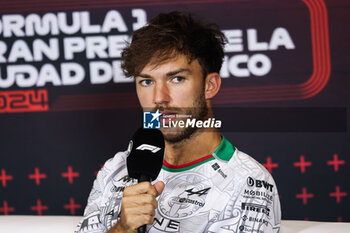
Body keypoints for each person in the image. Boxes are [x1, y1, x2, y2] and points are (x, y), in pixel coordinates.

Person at [75, 11, 281, 233]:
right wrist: (123, 228)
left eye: (177, 79)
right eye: (146, 81)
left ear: (209, 85)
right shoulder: (115, 170)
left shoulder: (248, 181)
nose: (159, 98)